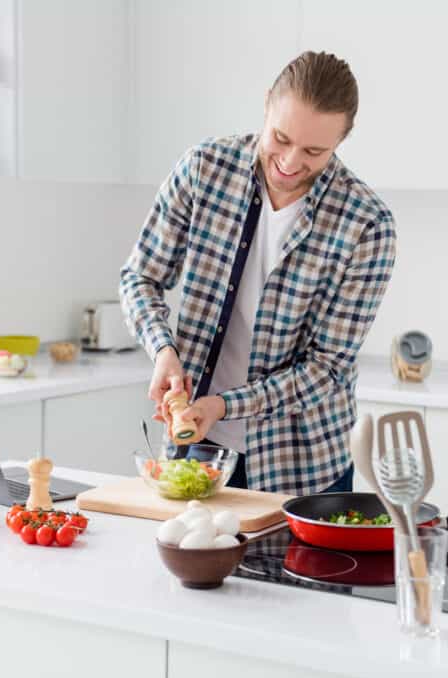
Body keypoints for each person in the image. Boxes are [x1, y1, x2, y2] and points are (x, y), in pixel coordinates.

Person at [119, 51, 396, 496]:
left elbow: (326, 369)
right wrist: (163, 350)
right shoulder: (203, 169)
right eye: (280, 137)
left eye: (313, 151)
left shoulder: (366, 223)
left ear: (343, 138)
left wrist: (223, 406)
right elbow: (140, 277)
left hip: (302, 466)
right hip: (198, 450)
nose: (288, 162)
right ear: (267, 104)